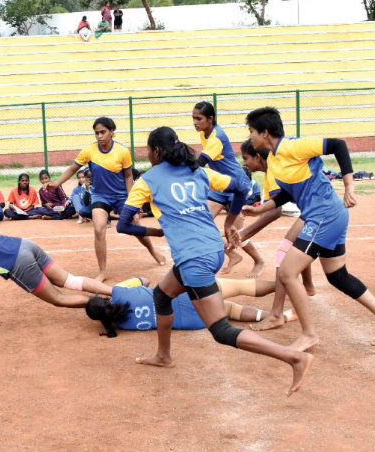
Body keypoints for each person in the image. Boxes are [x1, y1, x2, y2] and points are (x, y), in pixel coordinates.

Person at [115, 126, 312, 396]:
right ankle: (163, 356)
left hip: (194, 259)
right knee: (161, 296)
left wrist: (155, 231)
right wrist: (231, 220)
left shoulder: (147, 180)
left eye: (149, 150)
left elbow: (123, 225)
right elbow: (242, 185)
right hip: (213, 250)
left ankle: (293, 357)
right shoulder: (198, 171)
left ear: (156, 151)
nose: (148, 155)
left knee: (221, 330)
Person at [238, 107, 375, 350]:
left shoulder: (293, 147)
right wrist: (258, 210)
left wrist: (349, 187)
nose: (250, 136)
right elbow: (286, 195)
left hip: (324, 216)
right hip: (327, 216)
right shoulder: (273, 159)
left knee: (286, 272)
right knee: (338, 276)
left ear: (264, 132)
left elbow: (338, 145)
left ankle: (309, 334)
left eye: (251, 131)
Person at [45, 117, 164, 282]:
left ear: (111, 132)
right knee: (99, 228)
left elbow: (129, 177)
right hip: (100, 196)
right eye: (96, 133)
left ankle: (153, 251)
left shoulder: (122, 151)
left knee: (135, 226)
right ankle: (102, 272)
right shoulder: (89, 151)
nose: (99, 136)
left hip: (121, 196)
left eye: (103, 132)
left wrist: (133, 203)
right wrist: (56, 183)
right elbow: (73, 169)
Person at [237, 139, 315, 331]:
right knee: (299, 248)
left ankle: (276, 314)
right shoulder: (270, 170)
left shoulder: (273, 171)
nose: (244, 163)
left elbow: (275, 211)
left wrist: (244, 233)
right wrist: (244, 233)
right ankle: (308, 286)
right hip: (311, 211)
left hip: (317, 212)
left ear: (257, 157)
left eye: (246, 158)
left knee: (284, 253)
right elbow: (272, 207)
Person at [192, 101, 267, 277]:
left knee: (234, 232)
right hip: (221, 185)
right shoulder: (205, 133)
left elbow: (199, 164)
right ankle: (232, 256)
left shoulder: (217, 136)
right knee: (201, 224)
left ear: (210, 119)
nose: (195, 122)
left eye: (198, 118)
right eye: (193, 118)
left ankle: (259, 260)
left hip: (236, 186)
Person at [86, 276, 296, 336]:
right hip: (186, 295)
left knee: (230, 310)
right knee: (239, 286)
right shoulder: (118, 292)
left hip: (193, 321)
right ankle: (285, 284)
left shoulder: (123, 327)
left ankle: (282, 315)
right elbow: (145, 280)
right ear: (104, 300)